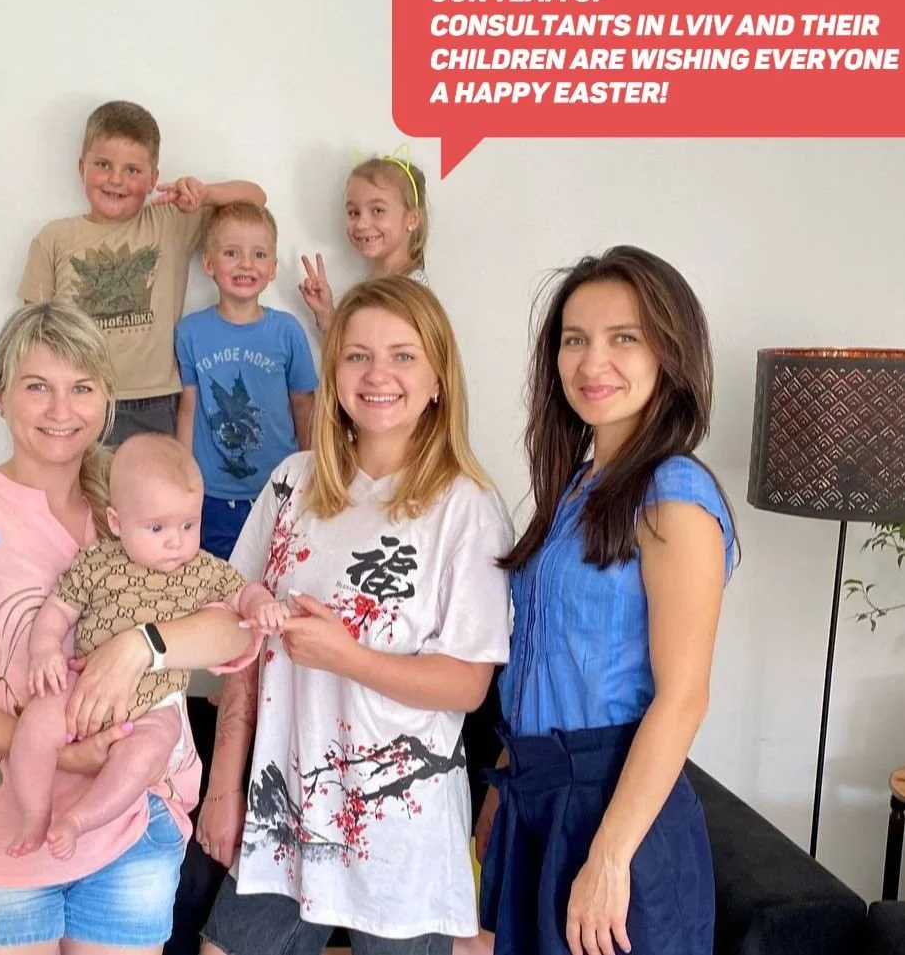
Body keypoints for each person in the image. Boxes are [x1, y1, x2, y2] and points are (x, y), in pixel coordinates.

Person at [0, 300, 258, 955]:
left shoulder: (140, 506)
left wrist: (140, 646)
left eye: (82, 387)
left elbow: (235, 631)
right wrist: (56, 750)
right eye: (38, 386)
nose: (61, 409)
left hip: (133, 819)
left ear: (106, 398)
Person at [198, 276, 513, 955]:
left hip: (399, 832)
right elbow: (240, 642)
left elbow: (466, 685)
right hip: (285, 808)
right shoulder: (291, 482)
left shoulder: (467, 507)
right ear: (334, 370)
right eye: (357, 355)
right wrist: (223, 784)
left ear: (438, 378)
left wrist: (347, 657)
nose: (378, 375)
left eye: (403, 355)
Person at [477, 246, 737, 955]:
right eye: (574, 339)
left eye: (625, 337)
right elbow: (540, 658)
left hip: (617, 809)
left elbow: (682, 697)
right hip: (540, 794)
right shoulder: (576, 485)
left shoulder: (674, 493)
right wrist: (505, 788)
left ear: (671, 352)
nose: (593, 362)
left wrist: (610, 856)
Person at [7, 433, 288, 860]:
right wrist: (44, 650)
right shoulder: (97, 561)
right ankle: (34, 813)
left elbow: (242, 593)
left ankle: (80, 819)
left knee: (152, 747)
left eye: (188, 525)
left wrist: (261, 605)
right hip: (84, 684)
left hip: (156, 704)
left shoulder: (202, 569)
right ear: (117, 522)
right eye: (157, 528)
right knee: (37, 720)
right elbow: (58, 608)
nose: (176, 541)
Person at [16, 99, 267, 445]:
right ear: (82, 167)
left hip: (154, 400)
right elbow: (32, 328)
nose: (116, 179)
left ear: (154, 179)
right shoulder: (55, 238)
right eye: (103, 164)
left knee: (155, 482)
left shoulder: (170, 221)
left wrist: (206, 194)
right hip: (75, 398)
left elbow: (256, 198)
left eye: (132, 170)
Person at [175, 201, 317, 561]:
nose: (246, 264)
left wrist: (311, 471)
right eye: (231, 253)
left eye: (259, 254)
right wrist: (183, 476)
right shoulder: (190, 332)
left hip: (278, 488)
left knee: (275, 578)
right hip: (212, 495)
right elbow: (188, 407)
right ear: (209, 264)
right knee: (218, 583)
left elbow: (304, 404)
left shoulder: (287, 331)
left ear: (273, 268)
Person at [297, 149, 429, 336]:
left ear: (412, 219)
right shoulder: (376, 286)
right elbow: (359, 347)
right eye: (354, 212)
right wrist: (327, 316)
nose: (361, 224)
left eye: (377, 210)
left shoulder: (411, 294)